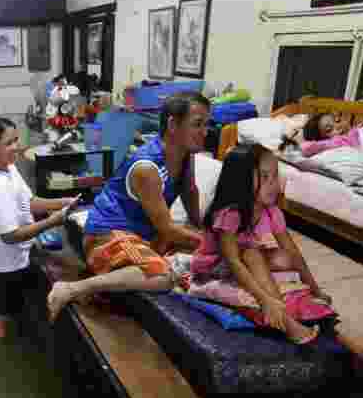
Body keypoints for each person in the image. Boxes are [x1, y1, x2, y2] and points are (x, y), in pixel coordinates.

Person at [45, 92, 209, 322]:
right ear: (173, 124)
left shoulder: (185, 154)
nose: (205, 132)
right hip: (107, 234)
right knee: (161, 275)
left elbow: (190, 191)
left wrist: (204, 231)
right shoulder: (147, 167)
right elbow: (168, 230)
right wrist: (211, 243)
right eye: (198, 124)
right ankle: (72, 289)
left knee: (206, 259)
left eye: (206, 124)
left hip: (146, 233)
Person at [190, 143, 332, 345]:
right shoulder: (230, 213)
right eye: (265, 177)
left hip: (243, 256)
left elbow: (292, 251)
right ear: (241, 181)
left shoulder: (271, 210)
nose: (274, 184)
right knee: (252, 253)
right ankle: (287, 322)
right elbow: (233, 261)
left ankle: (278, 299)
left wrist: (316, 290)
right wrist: (265, 300)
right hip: (214, 267)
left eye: (275, 175)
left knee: (284, 257)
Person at [0, 117, 78, 338]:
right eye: (9, 143)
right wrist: (52, 221)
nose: (17, 147)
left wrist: (65, 202)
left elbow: (28, 202)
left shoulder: (7, 168)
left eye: (17, 140)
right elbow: (11, 236)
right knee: (3, 315)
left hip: (1, 257)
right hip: (8, 262)